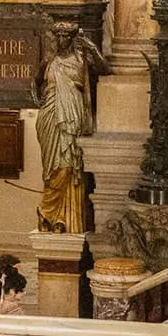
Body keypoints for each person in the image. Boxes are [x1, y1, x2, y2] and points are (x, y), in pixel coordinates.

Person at [36, 22, 108, 234]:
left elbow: (106, 69)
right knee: (51, 168)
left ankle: (61, 217)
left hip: (72, 120)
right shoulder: (49, 61)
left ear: (71, 38)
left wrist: (92, 48)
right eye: (57, 37)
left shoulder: (80, 59)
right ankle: (49, 215)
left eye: (65, 37)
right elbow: (35, 81)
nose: (61, 41)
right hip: (50, 117)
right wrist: (38, 98)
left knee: (67, 167)